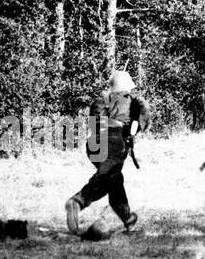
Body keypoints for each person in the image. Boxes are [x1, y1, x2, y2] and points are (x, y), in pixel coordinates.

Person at [64, 70, 150, 239]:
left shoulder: (100, 100)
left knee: (114, 178)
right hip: (114, 141)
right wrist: (133, 129)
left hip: (93, 143)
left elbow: (94, 122)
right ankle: (78, 201)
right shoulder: (134, 100)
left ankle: (128, 219)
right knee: (108, 176)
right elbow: (143, 116)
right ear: (127, 87)